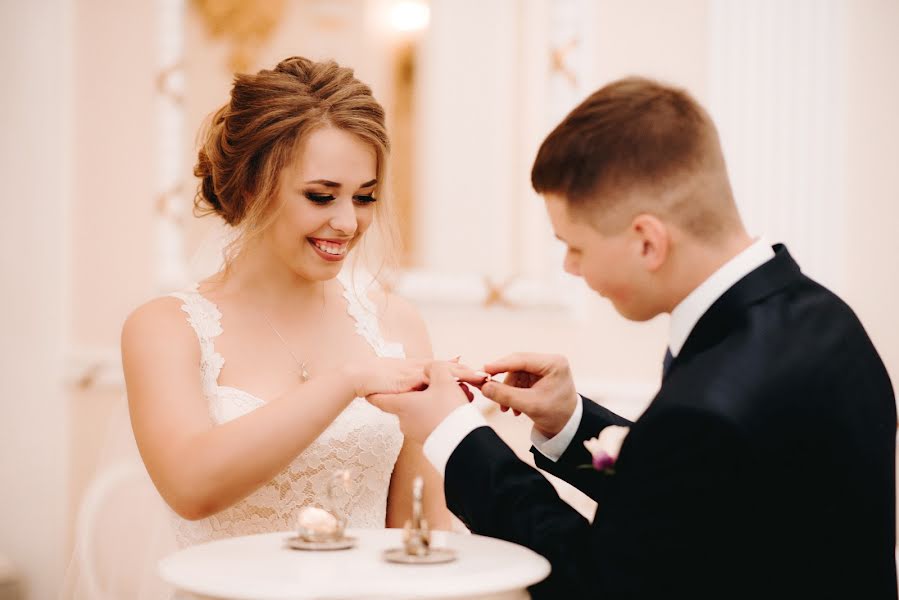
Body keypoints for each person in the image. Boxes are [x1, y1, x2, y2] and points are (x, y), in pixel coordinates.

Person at [370, 77, 897, 599]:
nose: (570, 268)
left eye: (574, 246)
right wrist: (572, 423)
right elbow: (694, 504)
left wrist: (456, 436)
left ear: (647, 241)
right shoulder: (826, 319)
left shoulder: (707, 407)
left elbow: (595, 581)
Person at [65, 56, 482, 599]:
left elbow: (415, 528)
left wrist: (448, 423)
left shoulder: (395, 322)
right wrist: (346, 382)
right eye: (320, 195)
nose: (348, 222)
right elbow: (192, 487)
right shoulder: (165, 328)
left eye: (364, 197)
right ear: (253, 186)